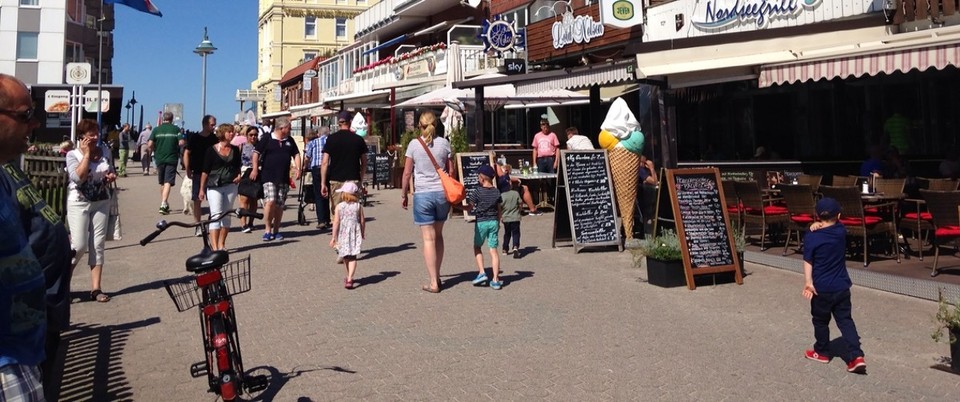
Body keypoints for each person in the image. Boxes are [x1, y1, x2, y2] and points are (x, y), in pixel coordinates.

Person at [0, 73, 71, 401]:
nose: (34, 124)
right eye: (25, 115)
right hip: (6, 360)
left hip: (24, 348)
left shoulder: (4, 173)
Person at [802, 197, 867, 374]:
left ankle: (822, 351)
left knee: (820, 321)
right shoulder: (841, 231)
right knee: (845, 321)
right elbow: (833, 222)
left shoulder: (811, 236)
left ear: (817, 216)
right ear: (838, 215)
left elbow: (808, 260)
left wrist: (808, 283)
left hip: (821, 289)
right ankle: (856, 356)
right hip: (841, 287)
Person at [401, 110, 452, 293]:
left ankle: (433, 282)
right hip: (441, 194)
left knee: (428, 239)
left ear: (420, 126)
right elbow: (451, 172)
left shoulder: (414, 145)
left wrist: (404, 193)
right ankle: (437, 275)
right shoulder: (445, 143)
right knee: (438, 236)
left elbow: (407, 173)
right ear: (435, 125)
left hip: (423, 194)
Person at [67, 119, 117, 303]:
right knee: (78, 246)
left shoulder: (105, 151)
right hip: (79, 202)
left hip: (101, 201)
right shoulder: (72, 155)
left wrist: (111, 175)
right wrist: (87, 154)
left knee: (97, 245)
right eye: (91, 134)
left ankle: (96, 289)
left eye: (96, 133)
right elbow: (78, 178)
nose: (95, 137)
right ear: (82, 136)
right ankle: (64, 283)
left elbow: (110, 169)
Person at [250, 116, 301, 241]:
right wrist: (255, 169)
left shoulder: (289, 140)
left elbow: (296, 154)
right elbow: (256, 153)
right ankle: (267, 229)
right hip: (268, 176)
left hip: (283, 177)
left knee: (279, 205)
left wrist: (298, 168)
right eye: (289, 128)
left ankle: (276, 230)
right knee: (270, 201)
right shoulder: (267, 138)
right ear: (282, 128)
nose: (290, 130)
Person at [199, 124, 242, 251]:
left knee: (227, 215)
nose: (232, 134)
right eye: (229, 132)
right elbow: (205, 171)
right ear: (222, 133)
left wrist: (239, 175)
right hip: (214, 186)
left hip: (230, 185)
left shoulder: (235, 149)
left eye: (232, 132)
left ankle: (222, 244)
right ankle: (215, 246)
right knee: (216, 215)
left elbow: (237, 166)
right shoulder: (211, 150)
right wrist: (202, 189)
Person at [321, 111, 368, 220]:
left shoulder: (331, 139)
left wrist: (323, 183)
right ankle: (351, 235)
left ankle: (337, 236)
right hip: (353, 179)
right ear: (350, 122)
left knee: (337, 214)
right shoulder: (358, 140)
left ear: (339, 123)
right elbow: (364, 162)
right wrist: (360, 179)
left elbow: (324, 162)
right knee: (352, 214)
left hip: (336, 180)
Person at [465, 164, 503, 290]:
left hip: (481, 222)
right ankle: (496, 279)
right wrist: (498, 222)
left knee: (477, 247)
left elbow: (470, 208)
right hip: (493, 222)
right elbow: (499, 209)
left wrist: (457, 206)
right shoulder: (496, 192)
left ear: (482, 178)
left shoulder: (477, 191)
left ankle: (482, 272)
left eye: (478, 176)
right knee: (493, 250)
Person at [183, 115, 219, 235]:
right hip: (198, 172)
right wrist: (187, 168)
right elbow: (187, 153)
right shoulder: (195, 138)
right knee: (197, 199)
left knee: (213, 200)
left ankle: (211, 223)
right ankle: (198, 225)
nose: (214, 127)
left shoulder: (214, 138)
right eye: (212, 124)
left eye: (214, 124)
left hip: (212, 173)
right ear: (205, 124)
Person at [328, 181, 365, 289]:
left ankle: (349, 277)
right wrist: (362, 232)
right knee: (352, 256)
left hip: (343, 233)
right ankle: (349, 277)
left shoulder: (339, 206)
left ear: (344, 194)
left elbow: (336, 222)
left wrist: (333, 237)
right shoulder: (358, 206)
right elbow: (362, 221)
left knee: (346, 256)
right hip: (354, 233)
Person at [148, 112, 183, 214]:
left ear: (163, 119)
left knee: (162, 182)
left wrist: (155, 149)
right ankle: (163, 203)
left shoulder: (156, 129)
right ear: (172, 119)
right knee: (168, 181)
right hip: (171, 158)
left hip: (159, 158)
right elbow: (181, 142)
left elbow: (149, 144)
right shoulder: (176, 129)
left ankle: (165, 202)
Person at [305, 126, 331, 229]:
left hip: (316, 168)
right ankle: (329, 218)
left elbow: (307, 157)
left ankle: (321, 220)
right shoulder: (331, 141)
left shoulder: (313, 142)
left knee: (318, 193)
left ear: (318, 134)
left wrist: (304, 167)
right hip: (329, 168)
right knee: (328, 193)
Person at [237, 126, 259, 233]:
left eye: (255, 135)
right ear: (247, 136)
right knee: (244, 199)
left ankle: (251, 222)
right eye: (251, 135)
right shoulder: (242, 146)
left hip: (257, 172)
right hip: (245, 172)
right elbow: (237, 162)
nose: (253, 137)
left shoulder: (260, 146)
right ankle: (243, 224)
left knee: (254, 199)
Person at [500, 179, 523, 258]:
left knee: (507, 233)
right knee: (516, 233)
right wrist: (519, 210)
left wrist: (500, 216)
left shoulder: (502, 196)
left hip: (506, 218)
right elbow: (520, 203)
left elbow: (500, 207)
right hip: (515, 217)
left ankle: (505, 249)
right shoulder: (515, 193)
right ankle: (515, 246)